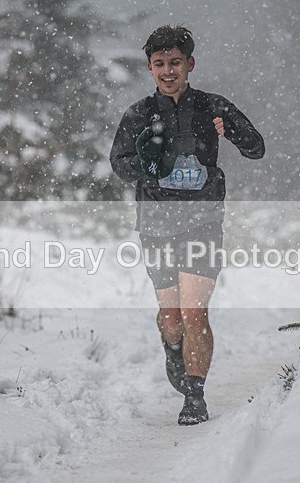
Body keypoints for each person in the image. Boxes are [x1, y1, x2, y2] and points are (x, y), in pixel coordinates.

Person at [109, 25, 264, 425]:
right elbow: (120, 166)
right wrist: (146, 163)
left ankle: (195, 397)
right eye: (159, 63)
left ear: (189, 64)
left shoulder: (213, 107)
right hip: (156, 224)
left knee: (195, 314)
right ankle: (172, 346)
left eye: (175, 62)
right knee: (173, 318)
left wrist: (228, 129)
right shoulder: (139, 114)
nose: (168, 70)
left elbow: (256, 148)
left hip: (203, 221)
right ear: (149, 67)